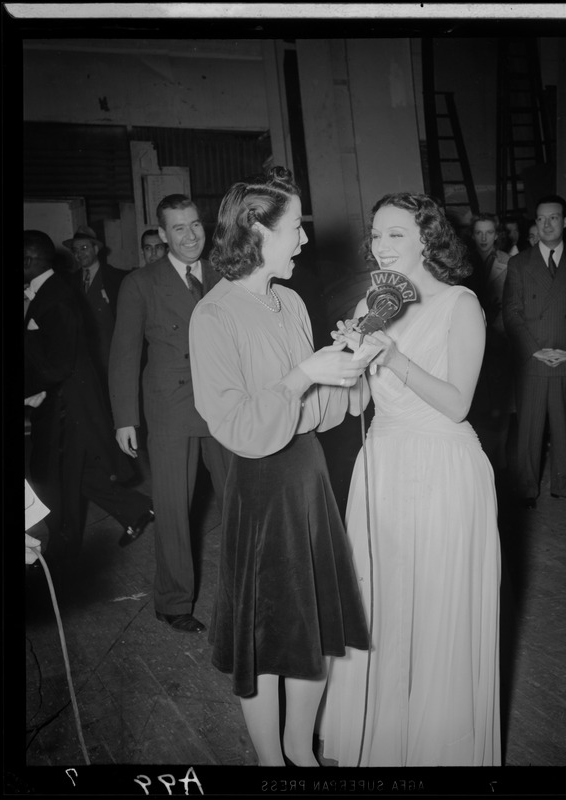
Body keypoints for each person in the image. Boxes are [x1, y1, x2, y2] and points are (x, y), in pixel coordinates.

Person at [188, 166, 370, 767]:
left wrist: (350, 363)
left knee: (312, 626)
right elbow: (237, 426)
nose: (303, 239)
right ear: (256, 230)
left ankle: (301, 753)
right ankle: (272, 765)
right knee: (267, 636)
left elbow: (317, 411)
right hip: (262, 488)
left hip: (307, 477)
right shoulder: (212, 316)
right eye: (294, 227)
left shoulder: (288, 299)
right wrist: (304, 374)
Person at [320, 192, 501, 767]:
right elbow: (360, 404)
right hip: (383, 466)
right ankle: (382, 741)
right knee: (382, 605)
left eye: (395, 234)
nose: (381, 246)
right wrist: (347, 361)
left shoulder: (460, 304)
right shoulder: (374, 301)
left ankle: (435, 751)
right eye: (375, 235)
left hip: (443, 468)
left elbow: (456, 404)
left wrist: (392, 357)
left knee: (435, 609)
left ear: (427, 238)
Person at [109, 194, 232, 635]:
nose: (190, 235)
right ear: (162, 235)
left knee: (239, 500)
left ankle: (247, 593)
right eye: (178, 228)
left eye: (195, 224)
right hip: (170, 408)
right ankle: (173, 602)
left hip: (226, 403)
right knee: (174, 510)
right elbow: (124, 353)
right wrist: (126, 417)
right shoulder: (141, 282)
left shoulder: (228, 272)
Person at [24, 230, 154, 564]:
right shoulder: (48, 292)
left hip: (67, 405)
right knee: (77, 473)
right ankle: (136, 510)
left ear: (29, 260)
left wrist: (30, 389)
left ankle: (64, 557)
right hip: (64, 401)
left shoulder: (56, 295)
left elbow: (61, 362)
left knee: (54, 481)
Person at [502, 194, 566, 508]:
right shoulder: (519, 263)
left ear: (565, 222)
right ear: (535, 224)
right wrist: (534, 351)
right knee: (529, 425)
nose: (547, 224)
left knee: (565, 423)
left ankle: (565, 485)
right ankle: (526, 487)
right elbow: (511, 312)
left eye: (554, 217)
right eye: (541, 218)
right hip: (533, 357)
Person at [467, 214, 516, 472]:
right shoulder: (462, 263)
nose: (484, 238)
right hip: (471, 342)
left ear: (497, 234)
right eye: (479, 233)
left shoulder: (510, 263)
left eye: (489, 233)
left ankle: (501, 463)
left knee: (501, 405)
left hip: (499, 343)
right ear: (472, 235)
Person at [63, 225, 129, 380]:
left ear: (96, 249)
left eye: (84, 248)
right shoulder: (69, 281)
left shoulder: (117, 278)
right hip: (84, 358)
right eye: (75, 250)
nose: (79, 254)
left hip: (112, 354)